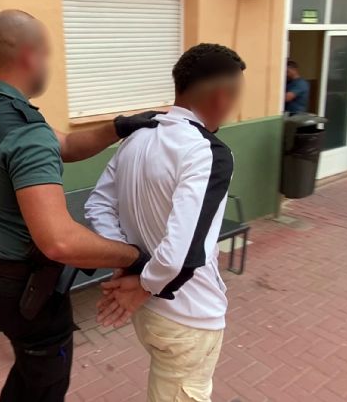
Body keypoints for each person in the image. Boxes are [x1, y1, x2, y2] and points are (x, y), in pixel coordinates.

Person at [0, 9, 155, 402]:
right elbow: (60, 241)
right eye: (47, 55)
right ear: (29, 56)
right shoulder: (23, 130)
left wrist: (118, 127)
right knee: (45, 382)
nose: (49, 65)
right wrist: (136, 257)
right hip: (25, 289)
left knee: (29, 371)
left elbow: (62, 144)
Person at [85, 43, 246, 402]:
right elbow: (181, 255)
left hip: (151, 313)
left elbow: (98, 204)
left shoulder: (137, 136)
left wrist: (128, 262)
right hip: (189, 316)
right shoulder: (207, 152)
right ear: (221, 96)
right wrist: (143, 284)